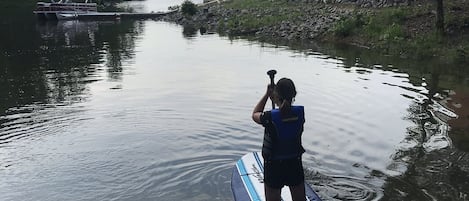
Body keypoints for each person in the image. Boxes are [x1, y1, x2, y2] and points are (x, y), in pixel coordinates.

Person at [252, 78, 306, 201]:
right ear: (294, 94)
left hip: (274, 165)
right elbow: (285, 113)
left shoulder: (269, 117)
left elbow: (255, 114)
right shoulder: (300, 113)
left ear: (276, 94)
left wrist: (267, 95)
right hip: (294, 162)